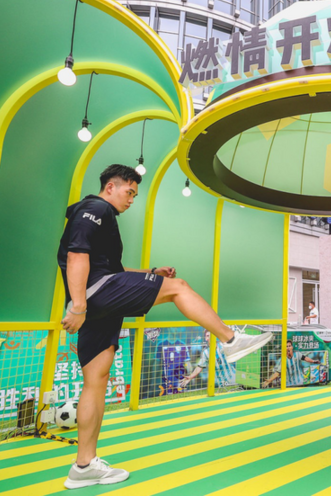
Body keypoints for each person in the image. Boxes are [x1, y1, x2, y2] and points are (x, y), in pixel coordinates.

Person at [58, 164, 273, 489]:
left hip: (97, 298)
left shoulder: (101, 216)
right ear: (110, 187)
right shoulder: (96, 208)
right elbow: (76, 256)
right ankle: (230, 340)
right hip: (93, 296)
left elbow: (112, 269)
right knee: (180, 288)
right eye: (129, 192)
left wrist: (151, 272)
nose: (132, 199)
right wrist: (78, 306)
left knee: (95, 382)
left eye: (135, 194)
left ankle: (83, 466)